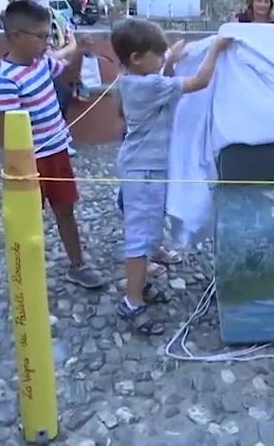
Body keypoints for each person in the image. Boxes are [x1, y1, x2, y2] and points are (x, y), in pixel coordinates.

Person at [111, 19, 232, 334]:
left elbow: (162, 77)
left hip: (142, 167)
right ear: (138, 58)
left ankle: (141, 286)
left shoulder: (134, 80)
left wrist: (168, 60)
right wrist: (217, 48)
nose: (163, 57)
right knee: (140, 239)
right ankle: (132, 301)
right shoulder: (149, 84)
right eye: (158, 53)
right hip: (144, 171)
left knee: (149, 234)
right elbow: (200, 81)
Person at [0, 0, 107, 289]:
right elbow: (10, 133)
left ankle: (77, 265)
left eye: (48, 35)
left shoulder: (42, 62)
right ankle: (26, 273)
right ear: (16, 36)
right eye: (41, 36)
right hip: (31, 160)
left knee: (66, 209)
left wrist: (79, 53)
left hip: (57, 152)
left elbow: (67, 78)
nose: (47, 42)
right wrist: (21, 168)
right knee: (28, 220)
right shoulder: (5, 80)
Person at [24, 0, 89, 156]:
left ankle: (60, 139)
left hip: (57, 65)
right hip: (30, 67)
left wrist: (57, 55)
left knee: (62, 89)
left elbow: (72, 43)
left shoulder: (58, 18)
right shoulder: (19, 18)